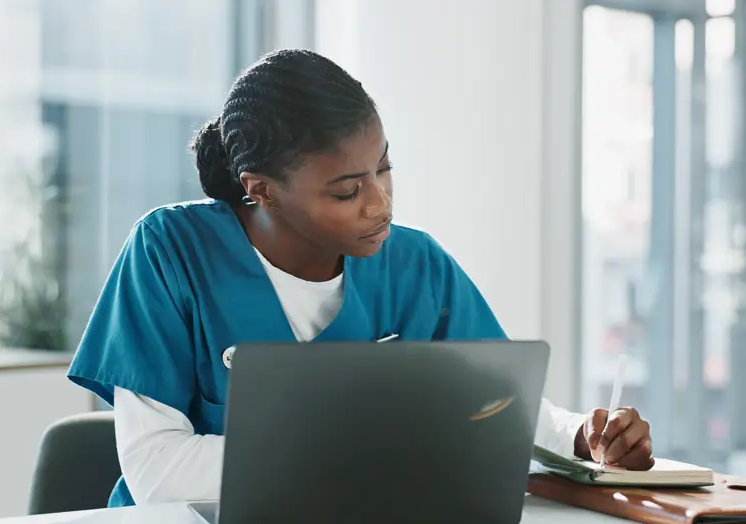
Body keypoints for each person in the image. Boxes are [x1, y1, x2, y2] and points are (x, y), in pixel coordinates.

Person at [66, 49, 654, 508]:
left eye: (384, 169)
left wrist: (583, 436)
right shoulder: (171, 254)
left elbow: (501, 408)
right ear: (261, 189)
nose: (380, 205)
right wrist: (357, 455)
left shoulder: (414, 264)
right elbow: (157, 470)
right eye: (346, 190)